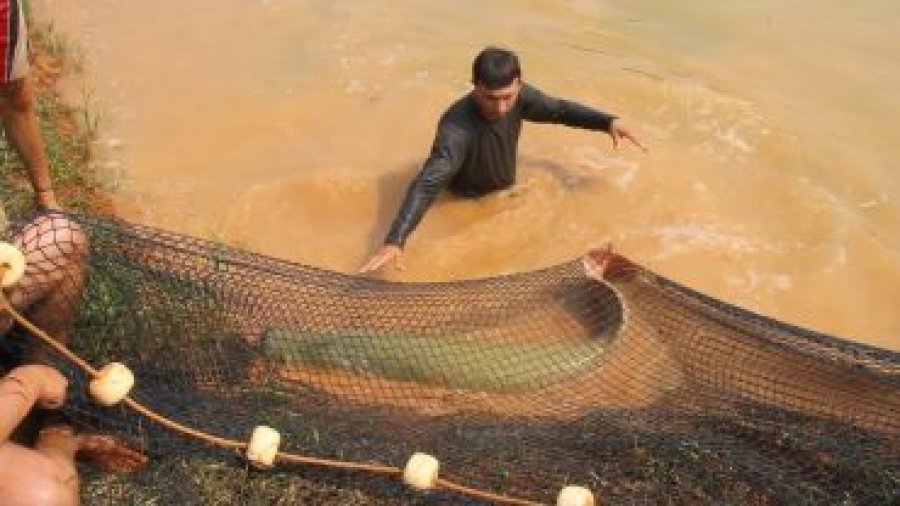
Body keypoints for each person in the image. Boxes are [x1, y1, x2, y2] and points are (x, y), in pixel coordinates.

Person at [360, 46, 646, 273]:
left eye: (507, 97)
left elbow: (559, 110)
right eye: (489, 98)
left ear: (519, 84)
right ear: (474, 86)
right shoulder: (455, 130)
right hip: (469, 201)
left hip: (504, 192)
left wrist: (607, 122)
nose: (500, 107)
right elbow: (426, 184)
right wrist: (395, 241)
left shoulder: (522, 97)